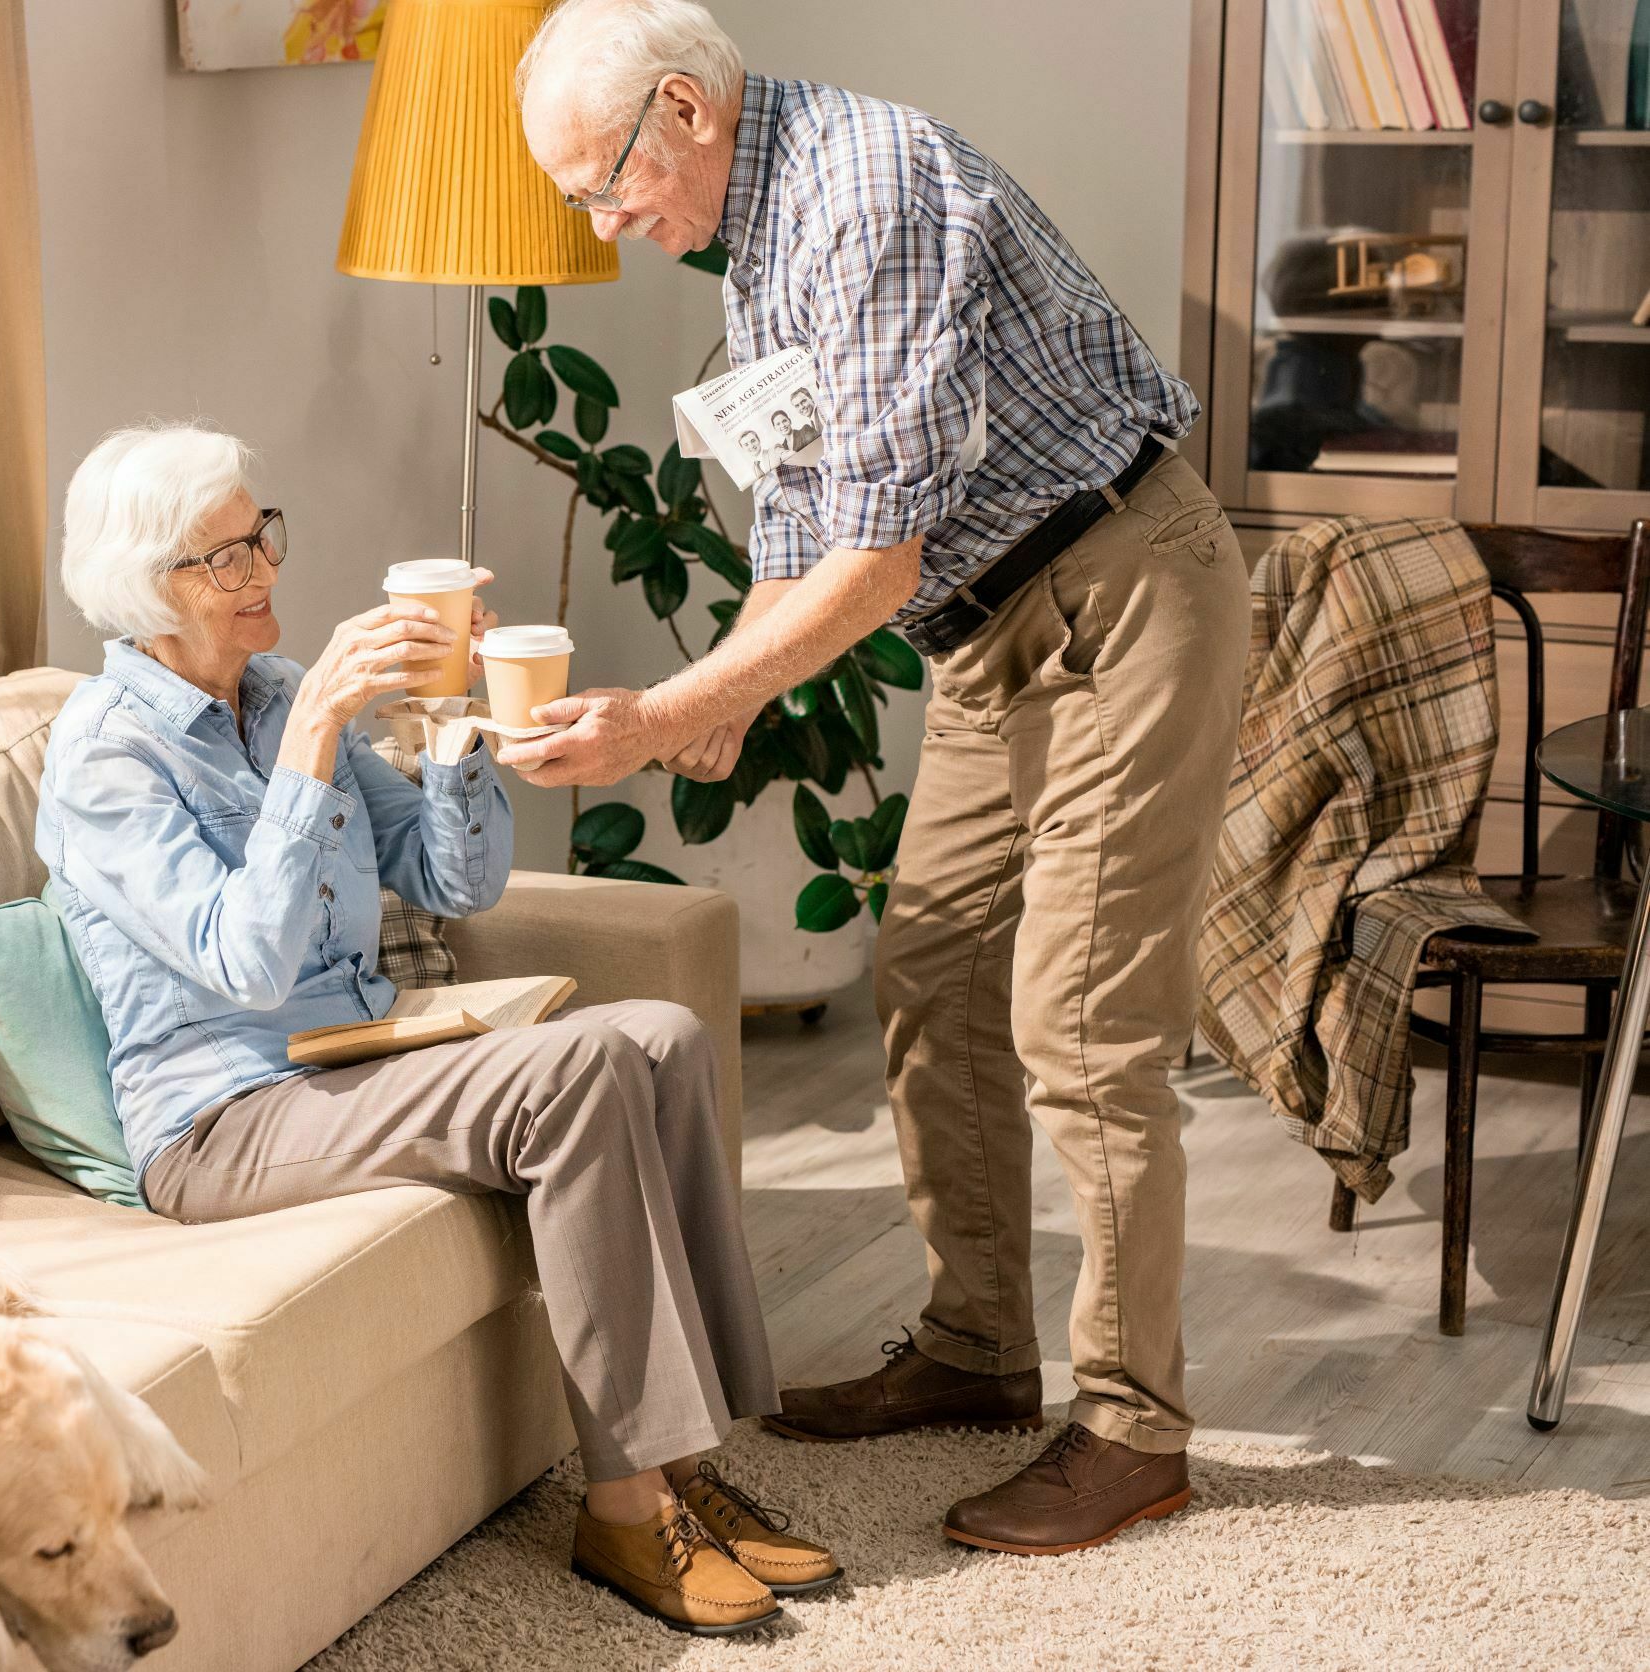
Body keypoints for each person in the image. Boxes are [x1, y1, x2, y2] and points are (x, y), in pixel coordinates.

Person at [507, 0, 1247, 1557]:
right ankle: (979, 1349)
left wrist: (661, 721)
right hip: (986, 630)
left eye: (604, 184)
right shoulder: (764, 224)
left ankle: (1133, 1427)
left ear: (685, 113)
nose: (607, 222)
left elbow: (880, 543)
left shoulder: (869, 192)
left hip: (1122, 592)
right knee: (929, 967)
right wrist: (703, 694)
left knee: (1083, 1017)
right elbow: (806, 506)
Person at [36, 422, 831, 1636]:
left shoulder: (283, 695)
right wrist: (312, 751)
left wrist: (460, 726)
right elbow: (243, 963)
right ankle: (623, 1503)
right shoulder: (106, 755)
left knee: (663, 1031)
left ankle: (684, 1462)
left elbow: (455, 883)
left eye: (262, 539)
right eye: (224, 559)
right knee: (577, 1071)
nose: (263, 575)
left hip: (355, 1055)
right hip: (224, 1117)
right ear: (149, 586)